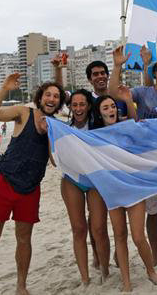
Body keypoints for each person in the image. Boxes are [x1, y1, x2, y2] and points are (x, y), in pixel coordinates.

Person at [0, 73, 65, 295]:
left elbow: (55, 162)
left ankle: (21, 287)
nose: (52, 98)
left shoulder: (55, 125)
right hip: (3, 181)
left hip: (30, 188)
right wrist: (5, 88)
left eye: (56, 96)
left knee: (24, 239)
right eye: (48, 94)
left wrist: (49, 135)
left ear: (59, 103)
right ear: (41, 97)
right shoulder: (23, 112)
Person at [109, 42, 157, 272]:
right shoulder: (143, 93)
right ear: (153, 73)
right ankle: (155, 253)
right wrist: (117, 67)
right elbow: (115, 92)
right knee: (152, 213)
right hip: (148, 164)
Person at [91, 94, 157, 291]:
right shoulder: (95, 135)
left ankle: (150, 271)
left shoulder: (128, 127)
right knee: (119, 235)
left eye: (112, 106)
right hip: (112, 190)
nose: (110, 110)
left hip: (132, 187)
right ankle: (126, 281)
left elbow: (143, 133)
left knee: (138, 236)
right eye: (105, 108)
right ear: (99, 113)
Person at [59, 89, 111, 285]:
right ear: (70, 107)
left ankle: (105, 271)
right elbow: (55, 160)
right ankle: (85, 278)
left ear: (89, 106)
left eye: (82, 104)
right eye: (75, 105)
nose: (79, 108)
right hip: (72, 180)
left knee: (99, 229)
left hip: (96, 181)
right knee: (79, 229)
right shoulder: (63, 128)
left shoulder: (99, 126)